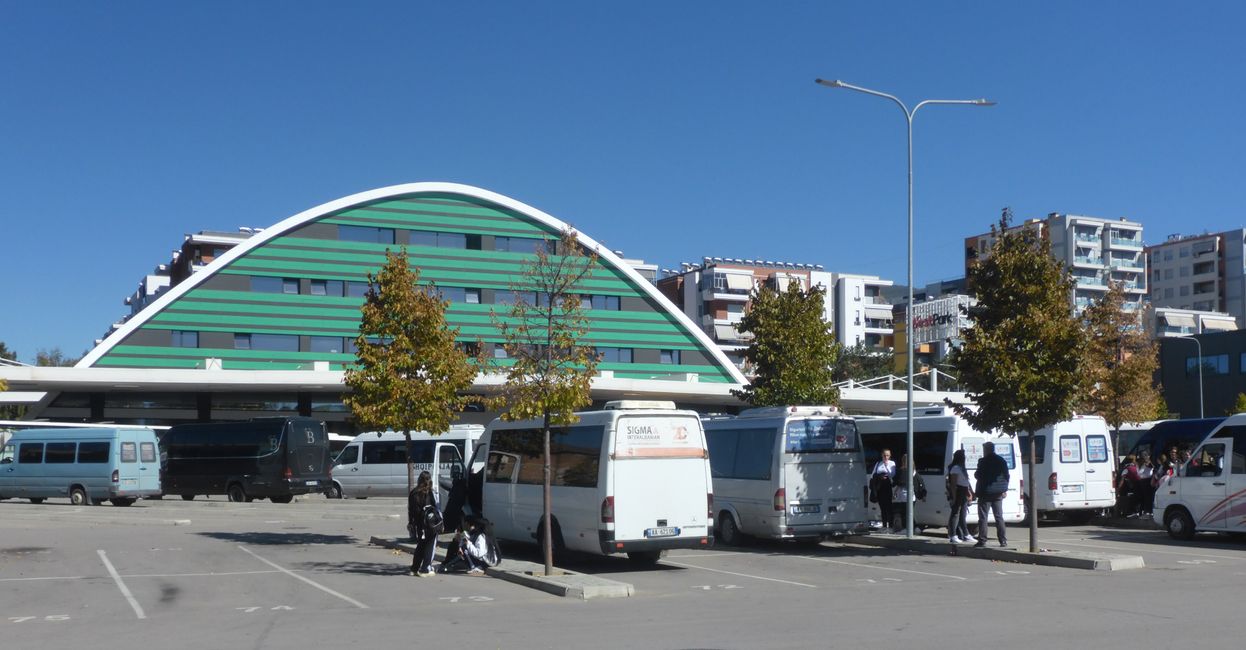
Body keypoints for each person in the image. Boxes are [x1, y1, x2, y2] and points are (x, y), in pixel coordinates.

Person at [973, 441, 1009, 548]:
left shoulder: (983, 461)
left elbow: (978, 475)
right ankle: (1003, 541)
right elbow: (1007, 475)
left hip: (985, 492)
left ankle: (982, 540)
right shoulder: (1001, 460)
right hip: (998, 493)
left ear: (986, 450)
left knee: (983, 517)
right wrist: (1004, 488)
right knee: (999, 517)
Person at [407, 471, 440, 577]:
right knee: (429, 545)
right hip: (429, 524)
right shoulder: (429, 492)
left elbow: (411, 510)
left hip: (419, 524)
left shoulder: (413, 493)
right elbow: (434, 508)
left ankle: (414, 568)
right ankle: (425, 568)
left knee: (420, 545)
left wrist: (411, 522)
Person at [946, 449, 976, 544]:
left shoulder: (962, 468)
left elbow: (965, 482)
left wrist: (969, 493)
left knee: (963, 514)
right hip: (958, 491)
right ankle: (953, 535)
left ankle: (966, 534)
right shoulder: (955, 468)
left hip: (963, 491)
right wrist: (954, 497)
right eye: (963, 457)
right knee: (955, 514)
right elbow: (953, 484)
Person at [892, 454, 926, 533]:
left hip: (904, 495)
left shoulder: (903, 471)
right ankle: (915, 528)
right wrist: (923, 496)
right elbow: (920, 482)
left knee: (904, 513)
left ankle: (905, 529)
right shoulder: (914, 471)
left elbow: (899, 483)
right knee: (910, 513)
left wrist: (895, 490)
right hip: (912, 495)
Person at [871, 449, 897, 532]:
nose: (886, 457)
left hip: (887, 486)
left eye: (887, 455)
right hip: (879, 486)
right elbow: (873, 475)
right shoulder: (878, 463)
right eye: (884, 455)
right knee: (882, 507)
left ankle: (891, 526)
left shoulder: (892, 463)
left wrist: (886, 466)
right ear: (881, 455)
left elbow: (892, 474)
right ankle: (884, 525)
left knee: (889, 507)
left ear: (890, 456)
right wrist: (879, 477)